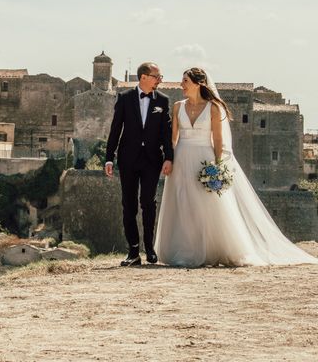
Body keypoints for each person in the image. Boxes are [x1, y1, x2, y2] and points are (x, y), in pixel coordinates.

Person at [155, 68, 318, 267]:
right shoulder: (178, 106)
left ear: (198, 83)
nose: (181, 85)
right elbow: (174, 138)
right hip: (181, 157)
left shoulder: (213, 108)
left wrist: (216, 168)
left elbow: (218, 139)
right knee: (182, 203)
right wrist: (169, 159)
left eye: (185, 81)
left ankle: (210, 249)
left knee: (206, 206)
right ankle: (186, 250)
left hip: (204, 159)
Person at [105, 62, 173, 266]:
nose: (159, 80)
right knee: (129, 205)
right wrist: (109, 157)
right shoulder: (125, 98)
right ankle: (133, 251)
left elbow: (166, 133)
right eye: (157, 76)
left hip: (152, 160)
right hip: (128, 159)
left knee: (148, 203)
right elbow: (115, 129)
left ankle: (150, 248)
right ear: (144, 77)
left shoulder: (163, 100)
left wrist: (169, 157)